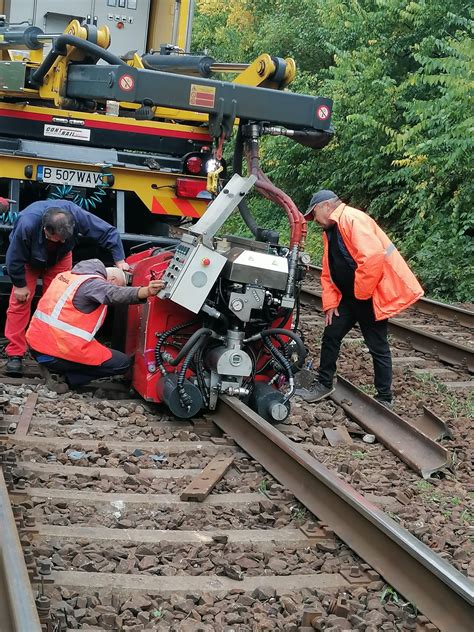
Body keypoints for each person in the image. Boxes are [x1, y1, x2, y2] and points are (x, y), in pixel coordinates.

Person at [302, 190, 424, 406]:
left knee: (377, 345)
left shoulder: (352, 219)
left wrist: (361, 294)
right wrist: (330, 303)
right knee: (331, 335)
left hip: (367, 296)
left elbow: (373, 258)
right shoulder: (331, 230)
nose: (314, 220)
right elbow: (328, 271)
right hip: (349, 299)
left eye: (314, 213)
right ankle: (323, 383)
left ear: (326, 206)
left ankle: (384, 398)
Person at [4, 200, 129, 376]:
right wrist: (19, 284)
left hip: (60, 257)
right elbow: (14, 256)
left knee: (60, 303)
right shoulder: (27, 223)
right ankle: (15, 354)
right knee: (19, 303)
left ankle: (56, 351)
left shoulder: (76, 216)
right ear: (45, 230)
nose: (61, 240)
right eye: (57, 239)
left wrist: (120, 261)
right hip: (27, 259)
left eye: (64, 238)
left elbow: (107, 231)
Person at [25, 259, 164, 390]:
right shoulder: (93, 284)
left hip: (37, 345)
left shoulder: (67, 275)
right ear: (112, 280)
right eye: (119, 285)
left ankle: (54, 367)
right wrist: (145, 291)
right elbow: (113, 293)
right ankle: (62, 378)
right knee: (122, 363)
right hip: (56, 350)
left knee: (99, 350)